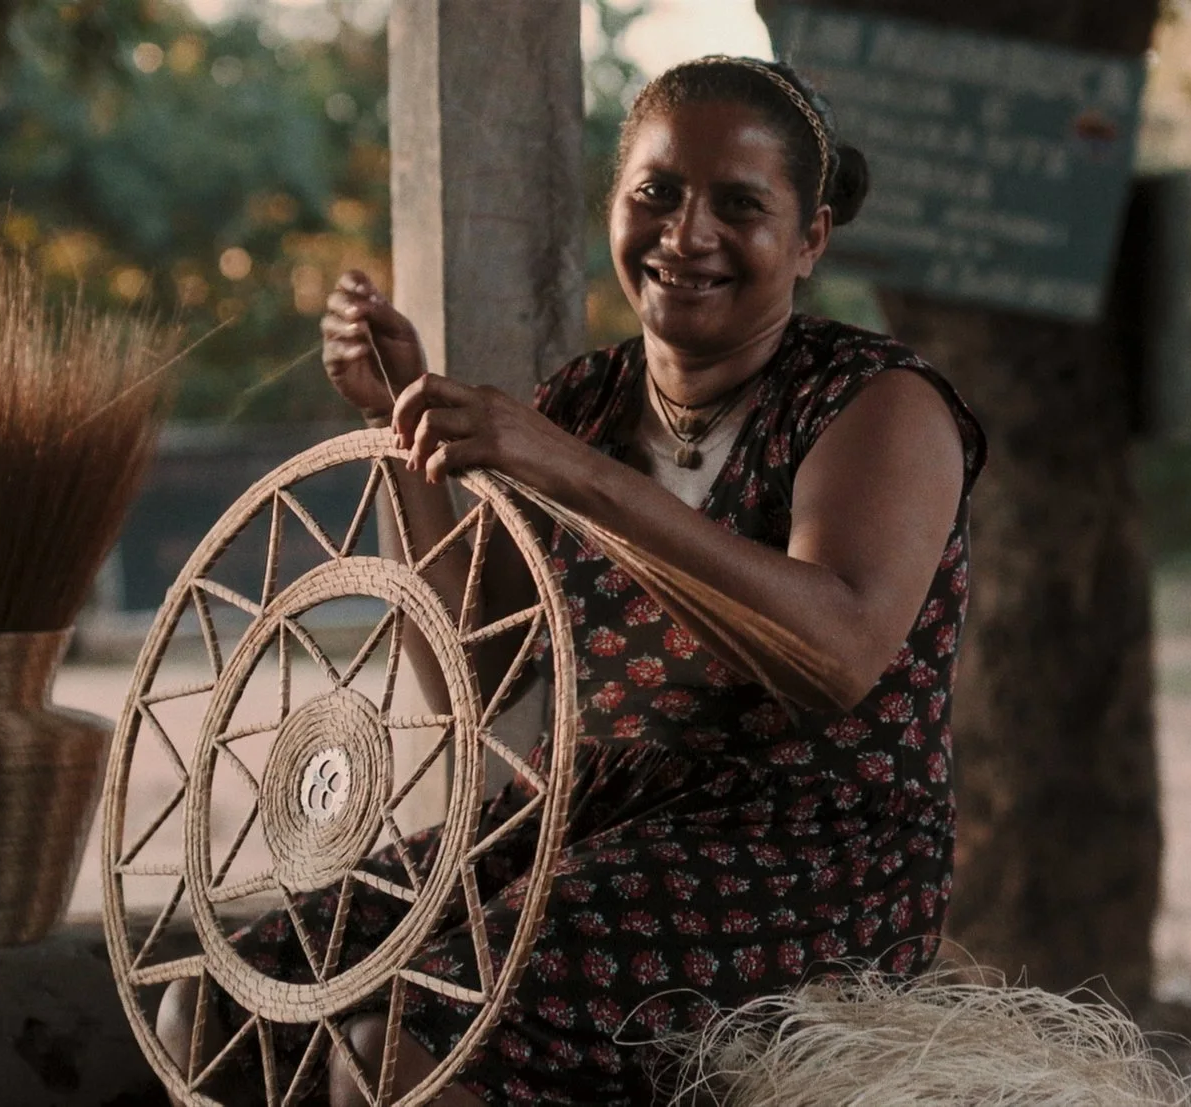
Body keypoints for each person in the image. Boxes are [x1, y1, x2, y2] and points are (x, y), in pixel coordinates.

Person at [174, 55, 986, 1105]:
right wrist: (400, 424)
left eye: (738, 206)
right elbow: (476, 679)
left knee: (411, 1047)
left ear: (810, 238)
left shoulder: (876, 403)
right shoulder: (587, 400)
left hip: (809, 852)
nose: (685, 236)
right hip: (582, 819)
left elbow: (834, 657)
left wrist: (562, 467)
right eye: (655, 194)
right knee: (223, 1007)